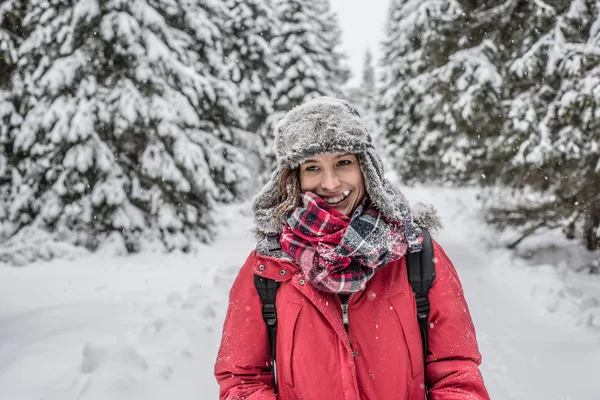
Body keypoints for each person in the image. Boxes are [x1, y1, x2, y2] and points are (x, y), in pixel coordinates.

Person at [214, 97, 490, 400]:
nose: (330, 183)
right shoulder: (268, 266)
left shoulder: (416, 253)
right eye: (313, 167)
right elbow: (241, 380)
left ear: (365, 168)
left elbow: (456, 373)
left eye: (343, 162)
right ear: (294, 178)